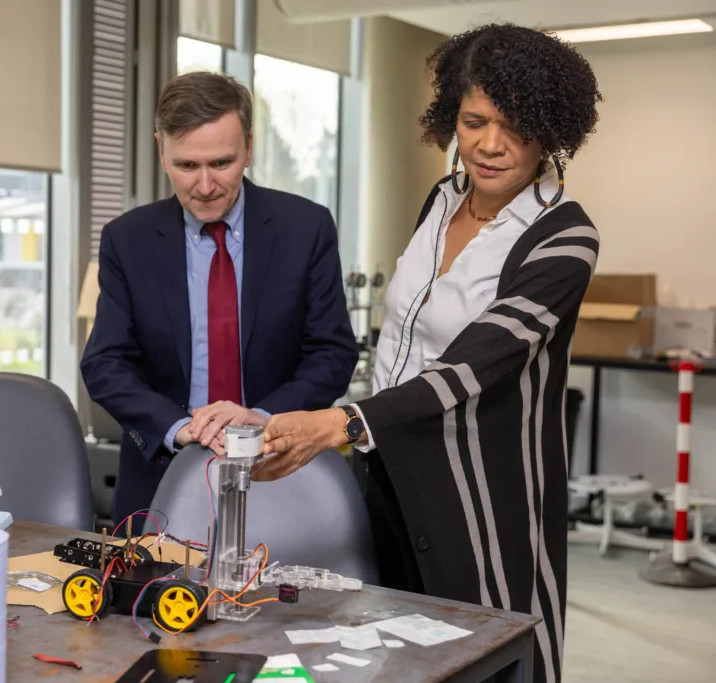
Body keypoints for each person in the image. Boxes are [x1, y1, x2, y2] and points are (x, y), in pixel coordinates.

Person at [249, 24, 602, 683]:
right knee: (398, 652)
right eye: (474, 121)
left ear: (551, 129)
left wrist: (344, 422)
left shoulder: (565, 235)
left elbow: (476, 363)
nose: (490, 145)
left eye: (515, 125)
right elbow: (406, 343)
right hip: (392, 469)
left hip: (484, 495)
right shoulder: (440, 202)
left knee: (493, 657)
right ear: (452, 119)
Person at [80, 71, 359, 529]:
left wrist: (262, 419)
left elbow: (332, 352)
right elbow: (105, 364)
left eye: (222, 163)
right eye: (187, 166)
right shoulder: (126, 240)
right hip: (159, 477)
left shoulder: (305, 228)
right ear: (161, 150)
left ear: (248, 147)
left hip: (281, 471)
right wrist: (178, 426)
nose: (205, 185)